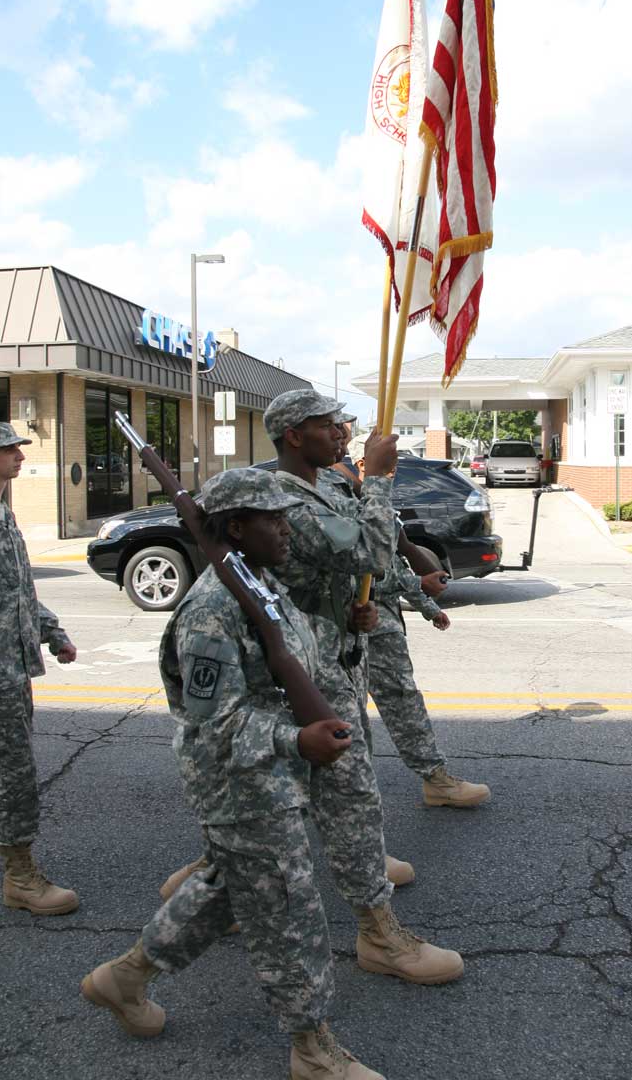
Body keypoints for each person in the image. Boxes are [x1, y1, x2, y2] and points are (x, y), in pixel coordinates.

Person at [81, 468, 386, 1080]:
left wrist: (348, 633)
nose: (286, 527)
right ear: (237, 527)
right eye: (273, 519)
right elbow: (212, 725)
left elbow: (294, 654)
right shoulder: (213, 610)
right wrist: (294, 737)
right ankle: (313, 1049)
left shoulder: (259, 581)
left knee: (227, 888)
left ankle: (125, 977)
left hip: (275, 775)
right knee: (288, 911)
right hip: (241, 782)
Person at [266, 390, 463, 985]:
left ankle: (213, 881)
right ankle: (380, 934)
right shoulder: (283, 496)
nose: (342, 432)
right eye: (328, 425)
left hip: (337, 653)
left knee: (295, 795)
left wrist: (360, 606)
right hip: (306, 670)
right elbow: (368, 548)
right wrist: (376, 479)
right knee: (341, 791)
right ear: (295, 434)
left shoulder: (324, 485)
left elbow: (359, 568)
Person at [344, 437, 491, 809]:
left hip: (384, 624)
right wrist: (417, 589)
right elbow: (365, 572)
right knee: (346, 713)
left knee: (403, 700)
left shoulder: (378, 503)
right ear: (363, 463)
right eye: (386, 466)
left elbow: (396, 563)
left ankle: (435, 779)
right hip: (357, 622)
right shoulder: (346, 501)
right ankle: (337, 800)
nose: (392, 474)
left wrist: (425, 602)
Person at [0, 422, 78, 915]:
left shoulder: (3, 514)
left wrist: (52, 631)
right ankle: (21, 877)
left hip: (10, 669)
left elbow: (19, 591)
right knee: (12, 775)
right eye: (8, 449)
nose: (20, 455)